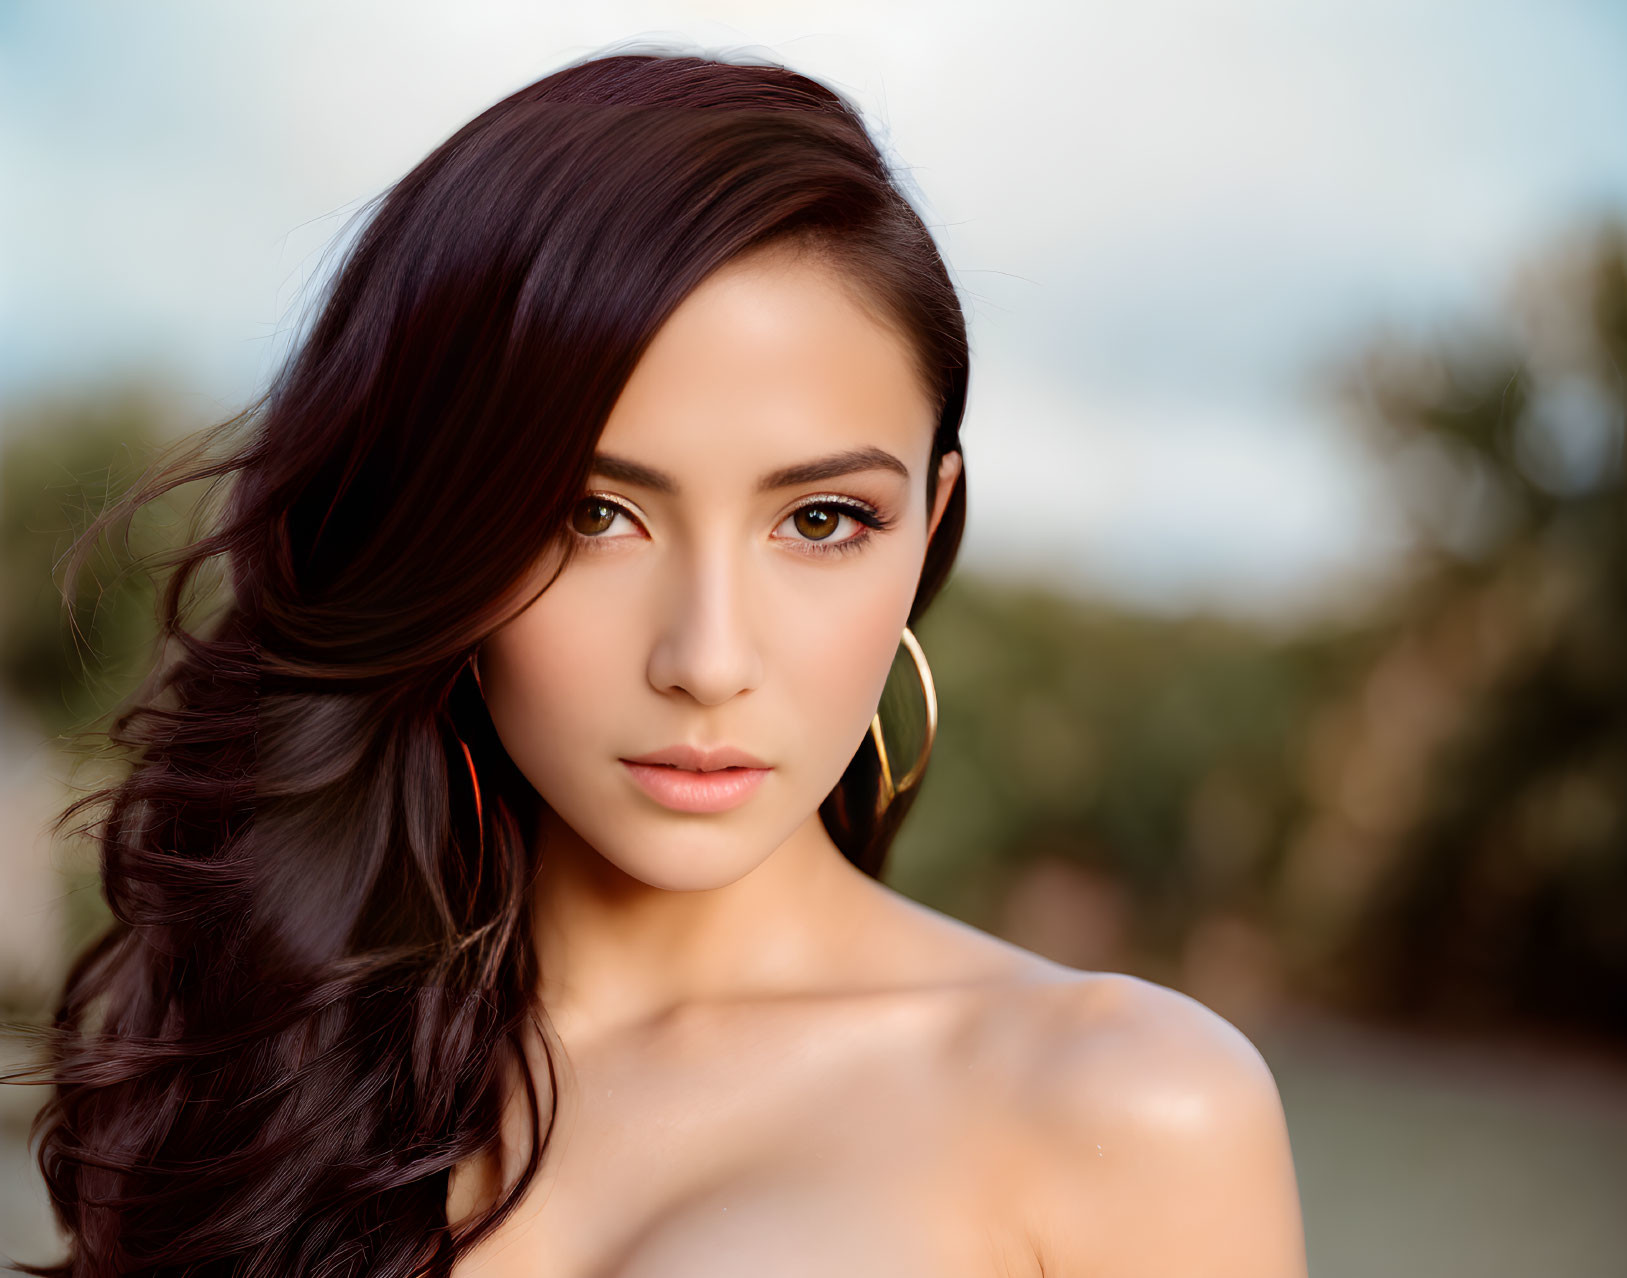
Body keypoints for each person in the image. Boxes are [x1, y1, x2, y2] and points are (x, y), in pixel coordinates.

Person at [3, 45, 1308, 1278]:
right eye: (592, 514)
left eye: (821, 521)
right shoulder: (271, 1058)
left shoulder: (1130, 1102)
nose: (708, 657)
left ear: (929, 524)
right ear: (432, 533)